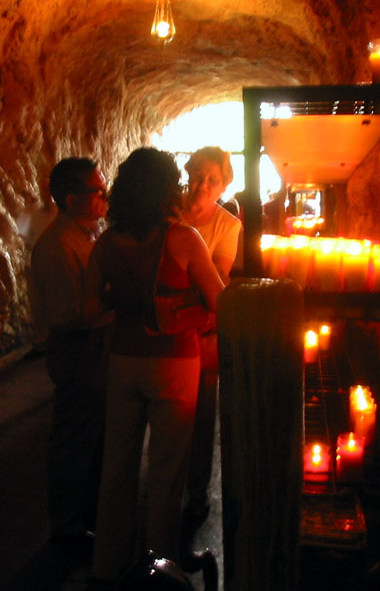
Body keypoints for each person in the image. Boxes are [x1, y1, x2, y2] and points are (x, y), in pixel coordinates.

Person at [85, 148, 224, 584]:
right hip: (175, 361)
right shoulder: (183, 238)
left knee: (117, 467)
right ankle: (159, 570)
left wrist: (125, 307)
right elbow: (220, 300)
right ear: (167, 189)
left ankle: (107, 567)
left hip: (124, 360)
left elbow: (89, 307)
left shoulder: (107, 242)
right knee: (167, 471)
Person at [29, 157, 110, 550]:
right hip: (76, 351)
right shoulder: (60, 246)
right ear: (72, 199)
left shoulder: (87, 234)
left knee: (91, 437)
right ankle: (66, 526)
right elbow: (69, 316)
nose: (104, 196)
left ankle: (84, 516)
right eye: (97, 191)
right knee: (74, 440)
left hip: (90, 349)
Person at [178, 147, 241, 535]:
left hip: (200, 329)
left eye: (212, 180)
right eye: (198, 175)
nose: (202, 185)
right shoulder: (167, 209)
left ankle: (196, 492)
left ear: (225, 184)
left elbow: (214, 281)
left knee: (200, 416)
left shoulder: (227, 225)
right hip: (166, 327)